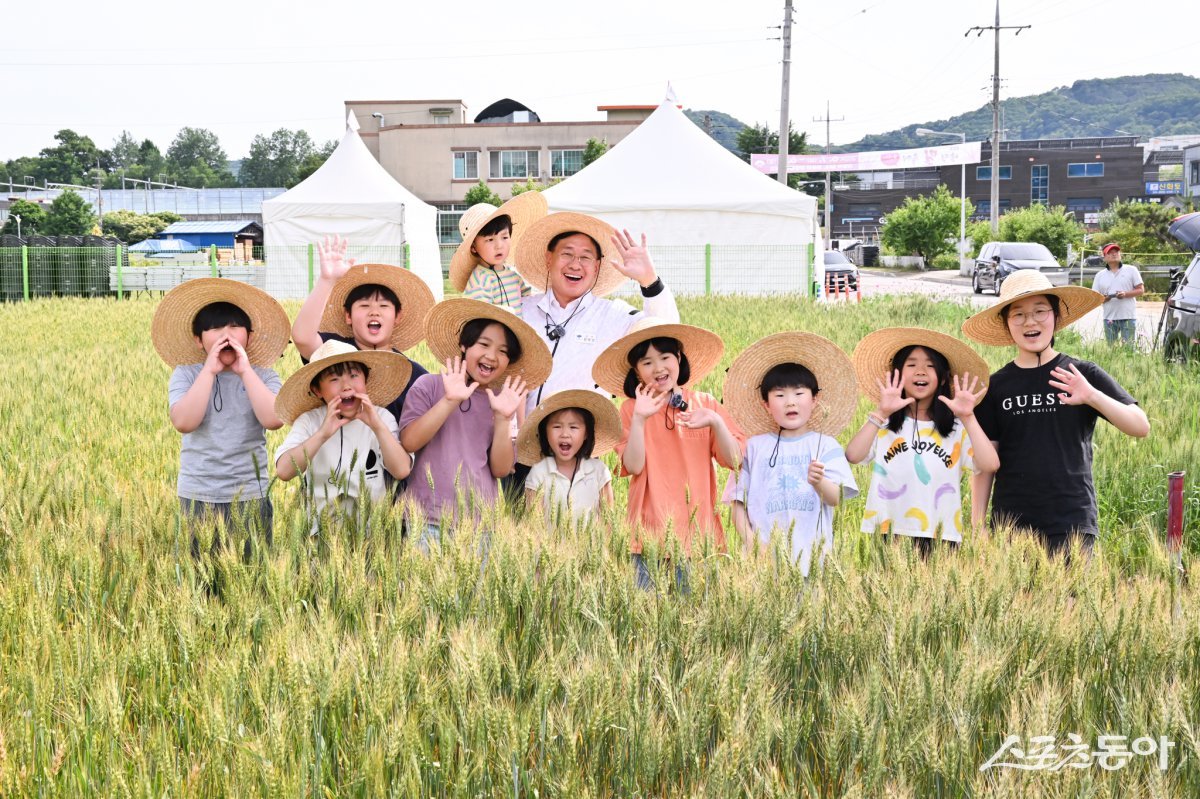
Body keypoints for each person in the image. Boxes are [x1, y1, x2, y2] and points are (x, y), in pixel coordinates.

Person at [962, 270, 1150, 557]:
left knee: (1072, 602)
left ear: (1056, 318)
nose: (1030, 322)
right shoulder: (996, 386)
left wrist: (1091, 396)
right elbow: (985, 462)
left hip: (1072, 519)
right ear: (1006, 324)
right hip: (1011, 523)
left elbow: (1140, 426)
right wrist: (978, 524)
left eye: (1040, 311)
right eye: (1018, 315)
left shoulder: (1082, 374)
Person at [592, 320, 745, 589]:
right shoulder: (630, 410)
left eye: (665, 357)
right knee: (647, 621)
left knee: (695, 617)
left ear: (679, 359)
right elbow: (633, 465)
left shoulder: (705, 404)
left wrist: (716, 423)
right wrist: (640, 419)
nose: (658, 367)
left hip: (698, 538)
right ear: (637, 372)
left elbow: (734, 460)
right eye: (647, 362)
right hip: (646, 537)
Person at [154, 278, 291, 558]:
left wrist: (245, 371)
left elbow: (274, 419)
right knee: (200, 577)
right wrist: (209, 371)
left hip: (251, 494)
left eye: (234, 327)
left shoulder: (264, 375)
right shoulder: (188, 374)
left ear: (249, 337)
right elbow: (183, 422)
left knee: (252, 575)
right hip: (198, 494)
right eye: (214, 328)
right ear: (198, 340)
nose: (225, 334)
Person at [399, 299, 552, 549]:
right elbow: (409, 441)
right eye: (484, 344)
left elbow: (501, 469)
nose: (492, 356)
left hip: (480, 526)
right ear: (464, 345)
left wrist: (503, 419)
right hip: (425, 519)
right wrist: (450, 400)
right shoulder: (429, 386)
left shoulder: (500, 401)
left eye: (503, 351)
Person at [846, 328, 1000, 555]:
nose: (921, 371)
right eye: (911, 365)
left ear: (943, 377)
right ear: (896, 375)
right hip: (888, 530)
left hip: (942, 535)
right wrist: (880, 412)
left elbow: (990, 464)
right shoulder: (883, 423)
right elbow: (853, 455)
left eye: (930, 366)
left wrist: (968, 417)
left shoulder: (956, 428)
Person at [722, 332, 859, 575]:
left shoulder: (826, 446)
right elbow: (737, 503)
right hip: (762, 564)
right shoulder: (753, 448)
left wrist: (819, 482)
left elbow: (835, 498)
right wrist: (753, 545)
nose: (790, 402)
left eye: (799, 393)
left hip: (813, 562)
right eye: (779, 395)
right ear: (766, 404)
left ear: (815, 399)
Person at [513, 212, 680, 411]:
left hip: (583, 438)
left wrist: (650, 281)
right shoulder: (520, 310)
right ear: (549, 259)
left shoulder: (612, 315)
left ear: (596, 266)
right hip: (514, 437)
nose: (575, 264)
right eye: (567, 254)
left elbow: (665, 333)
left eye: (586, 257)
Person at [291, 235, 436, 425]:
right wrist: (327, 281)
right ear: (348, 316)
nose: (374, 312)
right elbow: (302, 337)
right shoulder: (335, 351)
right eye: (364, 306)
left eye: (384, 306)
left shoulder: (414, 374)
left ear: (398, 317)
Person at [274, 340, 413, 530]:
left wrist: (377, 427)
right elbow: (283, 471)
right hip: (320, 536)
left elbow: (402, 469)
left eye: (354, 375)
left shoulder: (381, 417)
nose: (346, 386)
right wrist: (322, 434)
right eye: (334, 379)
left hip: (372, 535)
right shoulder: (310, 421)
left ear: (366, 379)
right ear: (317, 390)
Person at [518, 389, 620, 527]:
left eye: (573, 427)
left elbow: (608, 523)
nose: (565, 434)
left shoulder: (599, 471)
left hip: (592, 548)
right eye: (557, 426)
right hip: (550, 548)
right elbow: (534, 527)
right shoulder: (538, 474)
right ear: (544, 432)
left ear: (586, 434)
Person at [450, 192, 547, 312]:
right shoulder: (479, 280)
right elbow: (480, 314)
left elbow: (528, 300)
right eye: (490, 239)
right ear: (473, 247)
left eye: (505, 237)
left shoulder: (513, 275)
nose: (499, 246)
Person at [1091, 242, 1144, 345]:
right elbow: (1095, 297)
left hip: (1128, 316)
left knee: (1129, 348)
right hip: (1109, 317)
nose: (1114, 254)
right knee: (1111, 349)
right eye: (1110, 253)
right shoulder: (1099, 275)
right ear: (1104, 257)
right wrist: (1104, 299)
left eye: (1116, 252)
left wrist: (1125, 294)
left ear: (1120, 254)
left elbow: (1141, 290)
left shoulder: (1131, 270)